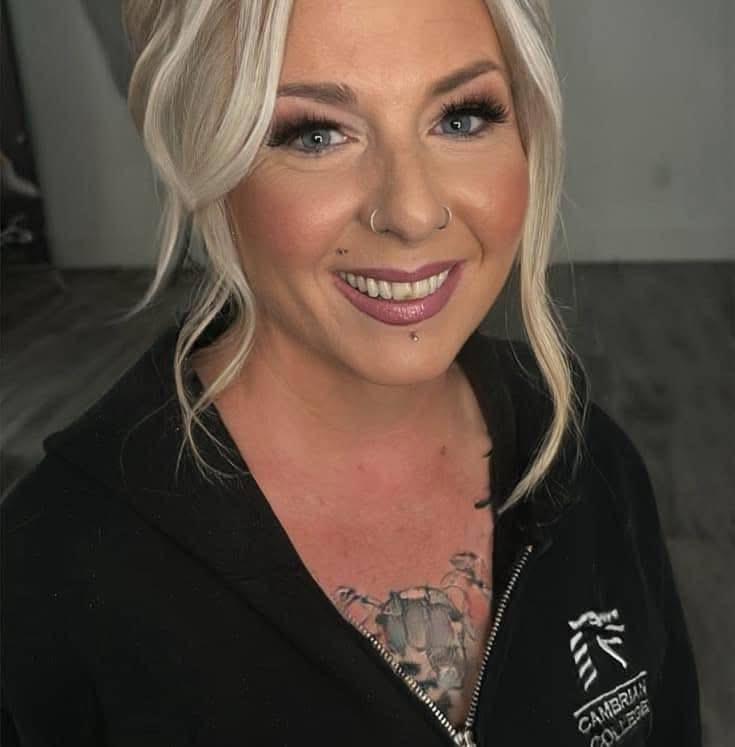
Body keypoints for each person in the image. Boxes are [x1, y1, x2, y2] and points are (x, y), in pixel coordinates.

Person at [1, 1, 701, 745]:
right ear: (203, 156)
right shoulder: (51, 572)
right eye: (316, 134)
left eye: (461, 118)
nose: (413, 211)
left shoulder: (585, 457)